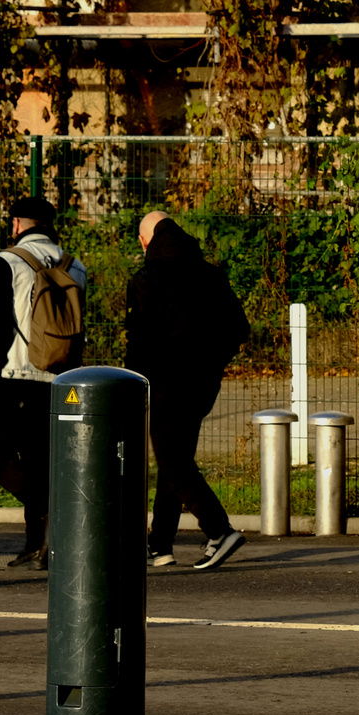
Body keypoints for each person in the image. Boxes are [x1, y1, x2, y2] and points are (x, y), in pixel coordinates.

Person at [126, 211, 251, 570]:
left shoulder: (147, 279)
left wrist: (135, 385)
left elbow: (138, 342)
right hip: (202, 384)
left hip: (162, 384)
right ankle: (160, 545)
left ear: (145, 241)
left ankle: (219, 529)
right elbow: (238, 328)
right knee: (175, 460)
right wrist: (212, 359)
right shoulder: (210, 275)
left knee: (172, 462)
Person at [0, 196, 88, 570]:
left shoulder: (7, 261)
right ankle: (38, 545)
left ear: (17, 224)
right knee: (42, 461)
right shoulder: (75, 266)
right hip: (59, 378)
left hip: (13, 375)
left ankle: (48, 516)